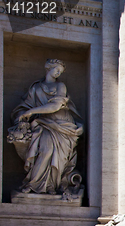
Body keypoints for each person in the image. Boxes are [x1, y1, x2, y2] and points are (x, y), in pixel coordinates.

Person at [8, 59, 83, 195]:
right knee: (46, 151)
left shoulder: (60, 86)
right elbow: (25, 106)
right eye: (57, 69)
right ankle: (34, 184)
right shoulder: (36, 88)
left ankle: (51, 186)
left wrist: (31, 111)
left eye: (61, 71)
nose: (58, 73)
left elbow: (55, 106)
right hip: (42, 124)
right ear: (48, 68)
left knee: (57, 156)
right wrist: (23, 115)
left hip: (62, 125)